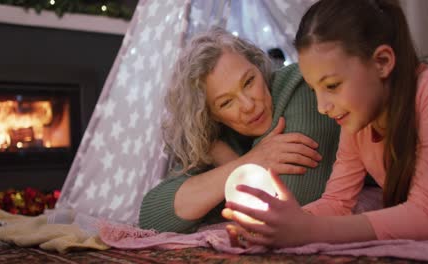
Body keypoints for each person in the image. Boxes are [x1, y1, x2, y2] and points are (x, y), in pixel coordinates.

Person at [222, 0, 428, 248]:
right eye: (314, 90)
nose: (322, 107)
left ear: (382, 62)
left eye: (332, 86)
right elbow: (337, 202)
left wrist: (309, 229)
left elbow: (425, 215)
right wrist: (274, 226)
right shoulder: (358, 122)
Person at [139, 27, 340, 233]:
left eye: (249, 81)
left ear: (259, 67)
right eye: (226, 103)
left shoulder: (300, 85)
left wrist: (225, 163)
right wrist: (247, 161)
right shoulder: (218, 139)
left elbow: (287, 204)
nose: (248, 105)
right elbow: (152, 216)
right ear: (211, 116)